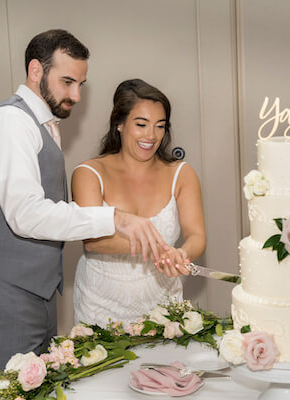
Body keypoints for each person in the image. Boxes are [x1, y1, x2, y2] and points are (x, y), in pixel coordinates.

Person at [0, 31, 167, 400]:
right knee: (6, 394)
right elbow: (26, 215)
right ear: (36, 70)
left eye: (81, 84)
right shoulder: (11, 123)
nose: (76, 96)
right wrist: (115, 218)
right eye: (67, 82)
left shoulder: (43, 125)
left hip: (31, 292)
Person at [71, 79, 206, 327]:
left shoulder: (182, 174)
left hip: (162, 306)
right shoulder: (88, 173)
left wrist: (182, 254)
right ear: (119, 124)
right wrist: (160, 250)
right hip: (100, 308)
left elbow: (197, 235)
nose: (151, 136)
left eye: (160, 126)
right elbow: (93, 242)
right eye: (141, 124)